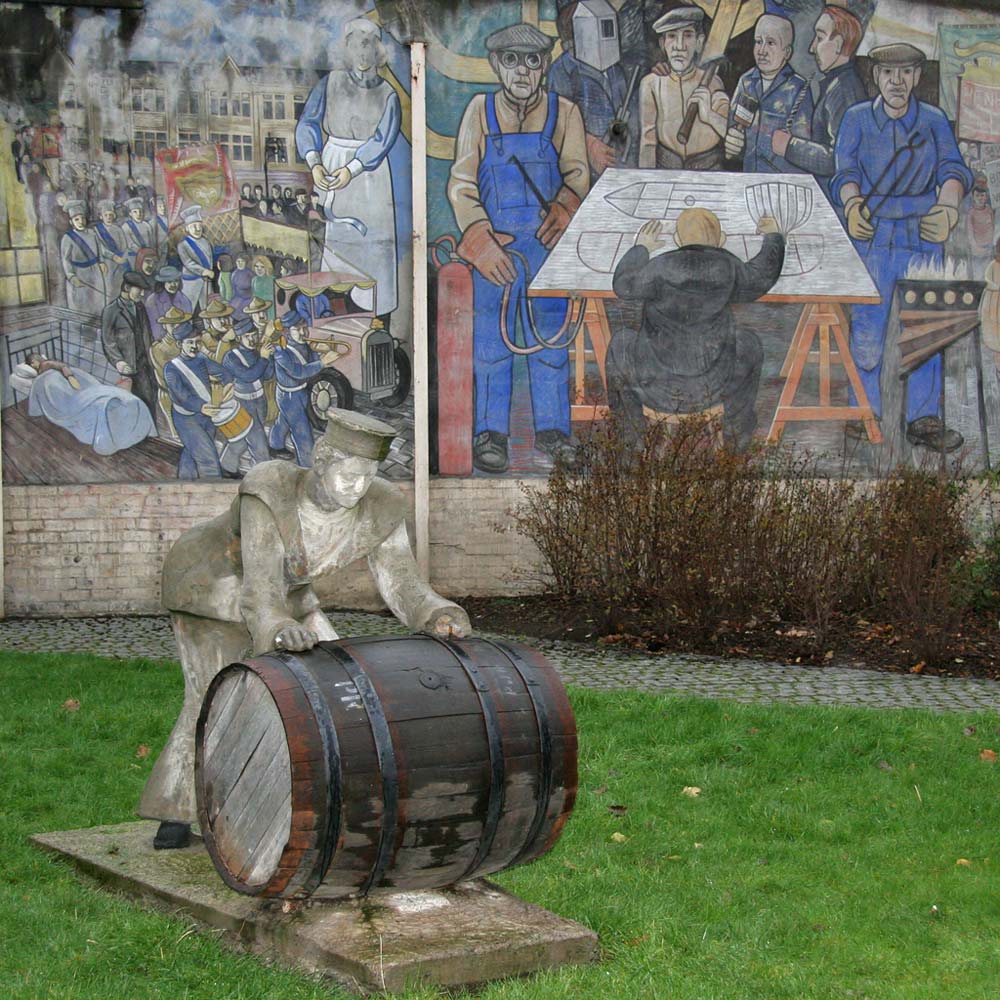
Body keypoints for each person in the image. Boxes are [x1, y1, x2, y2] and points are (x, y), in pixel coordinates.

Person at [139, 408, 471, 847]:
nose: (358, 487)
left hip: (287, 595)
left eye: (368, 476)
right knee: (213, 697)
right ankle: (175, 813)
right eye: (349, 475)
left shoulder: (380, 506)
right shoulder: (270, 488)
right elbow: (258, 586)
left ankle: (304, 801)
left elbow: (402, 581)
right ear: (322, 461)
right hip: (211, 585)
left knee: (339, 687)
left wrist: (436, 613)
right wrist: (278, 628)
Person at [448, 22, 590, 473]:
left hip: (547, 248)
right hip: (495, 253)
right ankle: (491, 433)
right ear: (496, 65)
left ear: (544, 65)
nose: (522, 71)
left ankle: (554, 430)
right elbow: (461, 183)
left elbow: (578, 175)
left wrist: (567, 206)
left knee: (550, 340)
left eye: (532, 60)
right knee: (491, 342)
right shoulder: (478, 112)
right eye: (511, 60)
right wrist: (479, 239)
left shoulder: (564, 112)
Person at [832, 42, 972, 449]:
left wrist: (947, 207)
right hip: (873, 240)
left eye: (907, 72)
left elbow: (952, 169)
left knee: (928, 330)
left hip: (922, 237)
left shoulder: (933, 120)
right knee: (867, 333)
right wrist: (852, 203)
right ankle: (864, 411)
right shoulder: (856, 119)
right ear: (875, 75)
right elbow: (845, 171)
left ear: (917, 76)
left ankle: (924, 418)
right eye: (889, 73)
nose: (898, 82)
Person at [606, 208, 785, 452]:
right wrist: (774, 235)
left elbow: (623, 284)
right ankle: (736, 435)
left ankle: (631, 439)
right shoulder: (728, 266)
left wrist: (641, 248)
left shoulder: (658, 266)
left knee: (620, 343)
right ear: (721, 240)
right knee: (749, 342)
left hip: (657, 388)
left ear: (678, 241)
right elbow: (763, 274)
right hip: (713, 388)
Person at [295, 18, 402, 320]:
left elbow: (383, 139)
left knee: (374, 248)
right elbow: (308, 123)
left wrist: (352, 169)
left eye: (369, 45)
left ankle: (376, 321)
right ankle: (337, 317)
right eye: (356, 45)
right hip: (331, 164)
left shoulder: (388, 94)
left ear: (378, 51)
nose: (362, 53)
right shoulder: (330, 83)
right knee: (338, 245)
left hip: (370, 176)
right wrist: (315, 163)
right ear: (347, 49)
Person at [770, 5, 868, 199]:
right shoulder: (838, 84)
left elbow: (838, 160)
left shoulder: (843, 91)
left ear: (838, 43)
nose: (812, 47)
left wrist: (790, 146)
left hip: (838, 205)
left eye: (820, 37)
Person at [548, 0, 638, 178]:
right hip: (583, 172)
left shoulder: (614, 69)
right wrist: (588, 145)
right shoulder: (562, 70)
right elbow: (557, 124)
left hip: (618, 167)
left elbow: (629, 115)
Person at [639, 6, 730, 170]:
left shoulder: (713, 82)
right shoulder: (651, 84)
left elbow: (729, 134)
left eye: (687, 35)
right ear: (663, 43)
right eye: (672, 36)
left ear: (699, 42)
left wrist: (709, 115)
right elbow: (648, 141)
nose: (679, 46)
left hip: (709, 169)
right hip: (666, 169)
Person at [725, 13, 813, 173]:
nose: (762, 51)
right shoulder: (746, 81)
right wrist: (732, 141)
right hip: (747, 174)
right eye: (758, 42)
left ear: (787, 52)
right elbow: (732, 128)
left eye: (771, 43)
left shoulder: (799, 89)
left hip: (781, 181)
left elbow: (802, 148)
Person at [163, 321, 234, 479]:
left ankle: (184, 483)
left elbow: (222, 372)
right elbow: (182, 396)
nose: (194, 346)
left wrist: (228, 383)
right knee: (208, 460)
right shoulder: (171, 368)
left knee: (192, 454)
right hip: (187, 418)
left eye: (197, 342)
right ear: (180, 344)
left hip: (206, 416)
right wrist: (201, 406)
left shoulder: (201, 359)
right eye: (189, 343)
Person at [269, 310, 330, 466]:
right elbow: (298, 372)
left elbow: (312, 358)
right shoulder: (281, 353)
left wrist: (322, 352)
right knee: (302, 430)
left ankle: (275, 445)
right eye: (298, 329)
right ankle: (307, 466)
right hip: (289, 395)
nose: (304, 332)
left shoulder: (303, 345)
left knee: (284, 421)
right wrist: (322, 363)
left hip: (301, 391)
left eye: (305, 327)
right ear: (287, 332)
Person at [100, 271, 158, 419]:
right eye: (139, 289)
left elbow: (147, 333)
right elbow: (107, 340)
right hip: (126, 366)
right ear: (126, 287)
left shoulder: (140, 307)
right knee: (129, 403)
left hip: (144, 363)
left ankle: (149, 434)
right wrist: (118, 361)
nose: (143, 294)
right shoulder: (110, 310)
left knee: (149, 399)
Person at [220, 319, 274, 469]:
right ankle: (262, 472)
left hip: (259, 401)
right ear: (238, 338)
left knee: (242, 440)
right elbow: (249, 375)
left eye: (253, 335)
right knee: (259, 443)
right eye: (247, 336)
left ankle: (226, 466)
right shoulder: (231, 357)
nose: (251, 340)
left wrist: (271, 358)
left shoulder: (256, 353)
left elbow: (268, 375)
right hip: (243, 403)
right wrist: (264, 358)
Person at [150, 304, 193, 436]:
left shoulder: (188, 342)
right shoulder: (158, 348)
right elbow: (165, 373)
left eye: (179, 324)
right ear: (164, 326)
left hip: (189, 391)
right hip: (169, 393)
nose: (176, 328)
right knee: (177, 433)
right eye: (172, 325)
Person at [60, 199, 107, 314]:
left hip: (95, 272)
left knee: (98, 302)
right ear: (71, 222)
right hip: (79, 273)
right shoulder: (68, 238)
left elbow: (100, 250)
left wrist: (101, 262)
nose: (80, 222)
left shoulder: (92, 233)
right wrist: (71, 276)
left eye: (82, 218)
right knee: (80, 305)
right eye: (76, 219)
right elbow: (65, 260)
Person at [177, 203, 215, 310]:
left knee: (208, 307)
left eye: (199, 226)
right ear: (187, 229)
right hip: (191, 282)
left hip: (206, 279)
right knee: (188, 307)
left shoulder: (206, 242)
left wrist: (209, 272)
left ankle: (209, 326)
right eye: (193, 226)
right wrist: (204, 271)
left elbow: (209, 259)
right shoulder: (183, 245)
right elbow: (188, 263)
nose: (197, 229)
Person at [145, 265, 193, 341]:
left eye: (176, 281)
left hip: (182, 342)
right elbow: (155, 330)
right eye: (169, 282)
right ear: (162, 283)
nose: (173, 285)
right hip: (162, 342)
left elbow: (187, 327)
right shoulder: (152, 300)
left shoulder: (185, 300)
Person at [94, 199, 129, 298]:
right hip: (107, 263)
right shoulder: (96, 230)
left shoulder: (118, 229)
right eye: (106, 215)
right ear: (101, 216)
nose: (108, 217)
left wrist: (124, 258)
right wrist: (113, 256)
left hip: (120, 264)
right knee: (108, 289)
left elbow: (125, 246)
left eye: (110, 215)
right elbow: (100, 248)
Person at [965, 174, 995, 279]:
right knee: (978, 276)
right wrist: (975, 247)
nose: (980, 198)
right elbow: (970, 233)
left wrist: (991, 245)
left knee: (988, 275)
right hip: (976, 250)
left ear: (986, 197)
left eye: (982, 196)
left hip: (988, 248)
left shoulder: (989, 210)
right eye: (977, 196)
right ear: (973, 197)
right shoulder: (971, 213)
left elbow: (993, 227)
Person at [122, 196, 155, 266]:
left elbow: (151, 241)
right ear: (130, 214)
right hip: (134, 256)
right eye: (135, 212)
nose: (138, 214)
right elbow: (130, 244)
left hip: (148, 256)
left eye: (140, 211)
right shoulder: (126, 226)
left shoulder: (147, 225)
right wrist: (141, 252)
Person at [229, 251, 254, 317]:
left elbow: (254, 288)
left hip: (249, 299)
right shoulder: (234, 274)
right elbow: (233, 288)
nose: (240, 263)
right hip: (238, 298)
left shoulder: (250, 273)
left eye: (242, 261)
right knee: (232, 310)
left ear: (246, 262)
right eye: (238, 261)